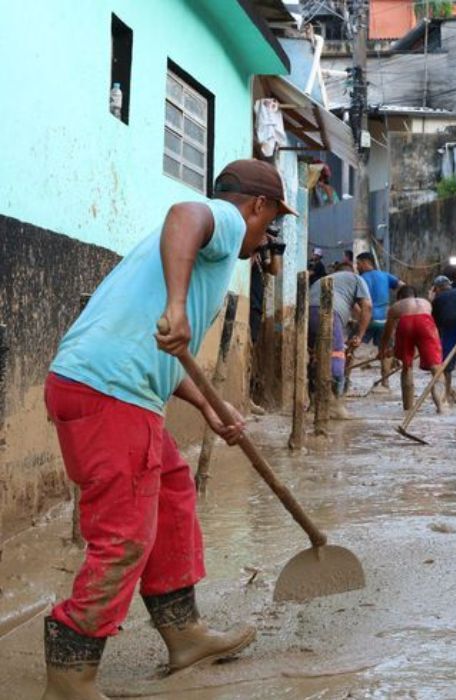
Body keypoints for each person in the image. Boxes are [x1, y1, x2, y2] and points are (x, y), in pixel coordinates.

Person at [40, 159, 293, 697]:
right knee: (125, 536)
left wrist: (211, 405)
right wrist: (178, 306)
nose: (266, 237)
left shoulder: (193, 255)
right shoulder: (224, 220)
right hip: (109, 392)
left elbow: (162, 355)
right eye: (269, 224)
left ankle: (184, 633)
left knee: (171, 493)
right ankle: (69, 673)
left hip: (114, 385)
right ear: (258, 206)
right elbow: (183, 211)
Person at [308, 264, 371, 417]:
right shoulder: (357, 279)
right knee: (336, 355)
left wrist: (353, 335)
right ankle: (335, 404)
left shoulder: (328, 280)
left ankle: (313, 402)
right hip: (329, 311)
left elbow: (357, 313)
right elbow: (367, 307)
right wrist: (360, 336)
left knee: (315, 357)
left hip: (308, 311)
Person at [380, 286, 446, 413]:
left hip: (406, 324)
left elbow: (387, 333)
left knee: (407, 366)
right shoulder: (426, 303)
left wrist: (382, 350)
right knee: (436, 368)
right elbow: (433, 326)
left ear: (399, 298)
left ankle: (408, 408)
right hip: (426, 324)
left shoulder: (396, 306)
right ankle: (440, 407)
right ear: (414, 295)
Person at [356, 251, 404, 390]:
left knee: (352, 346)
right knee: (386, 349)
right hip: (385, 319)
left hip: (367, 318)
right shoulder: (385, 276)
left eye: (358, 264)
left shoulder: (361, 279)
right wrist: (397, 304)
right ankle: (385, 382)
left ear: (365, 263)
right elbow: (403, 286)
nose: (357, 267)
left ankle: (345, 379)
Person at [431, 273, 456, 403]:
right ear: (449, 285)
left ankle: (446, 393)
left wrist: (431, 300)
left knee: (446, 362)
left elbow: (434, 323)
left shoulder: (437, 299)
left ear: (437, 289)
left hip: (450, 328)